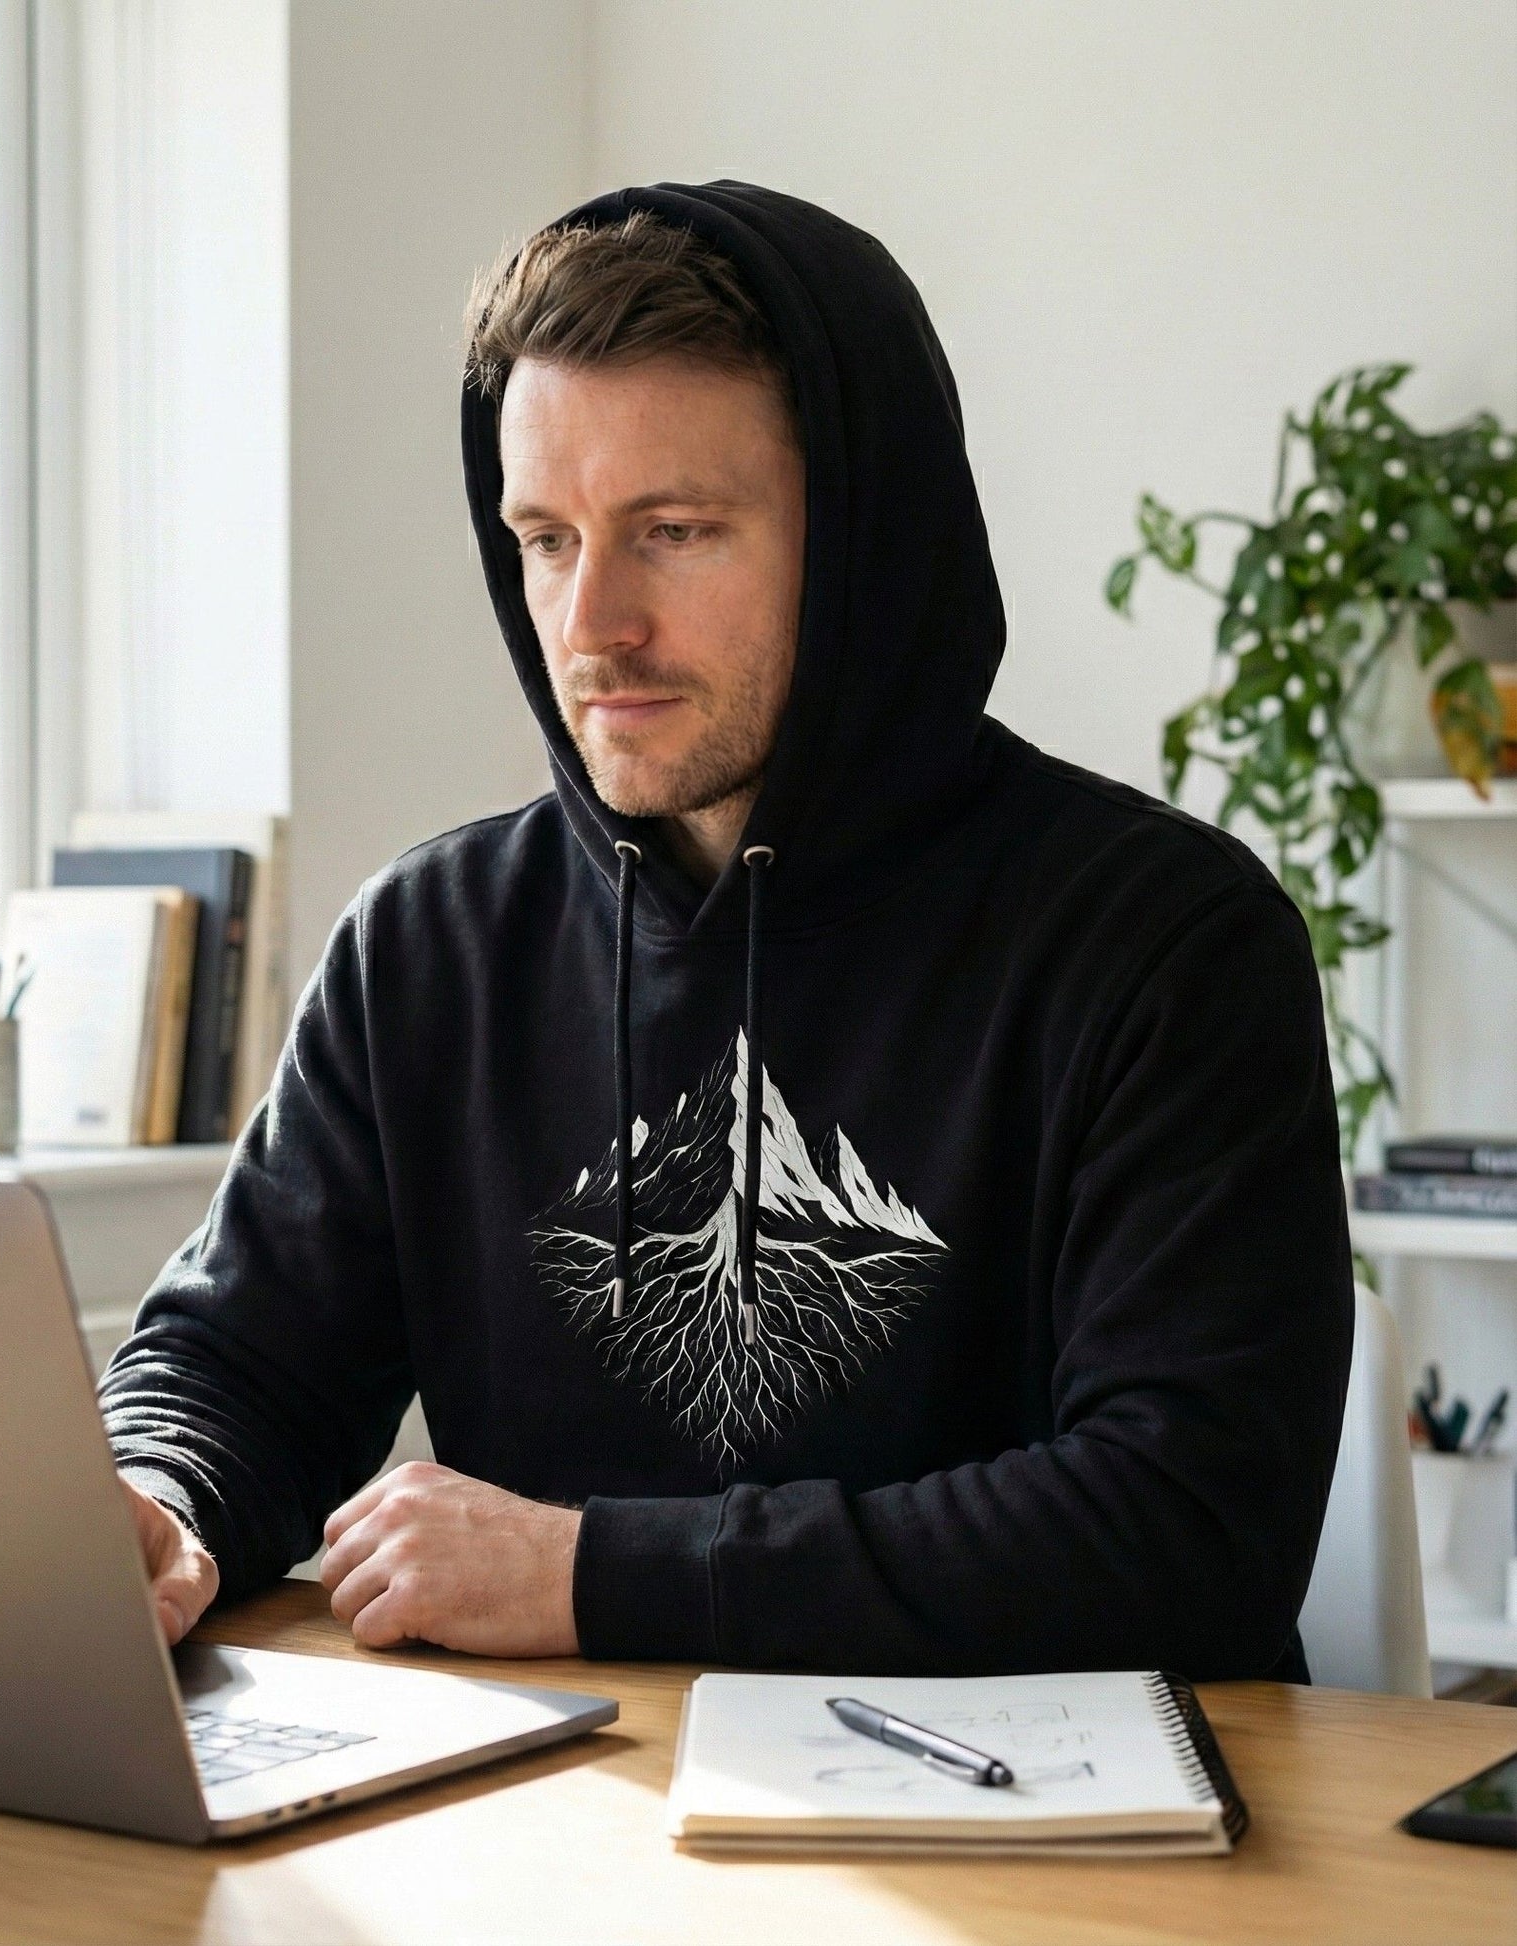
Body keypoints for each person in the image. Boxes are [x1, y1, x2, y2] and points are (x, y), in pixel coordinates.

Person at [101, 181, 1354, 1680]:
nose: (589, 624)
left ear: (865, 540)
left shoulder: (1167, 942)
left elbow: (1184, 1523)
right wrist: (156, 1499)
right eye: (546, 538)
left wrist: (591, 1571)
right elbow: (237, 1361)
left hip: (1057, 1857)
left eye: (673, 531)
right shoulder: (427, 947)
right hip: (569, 1830)